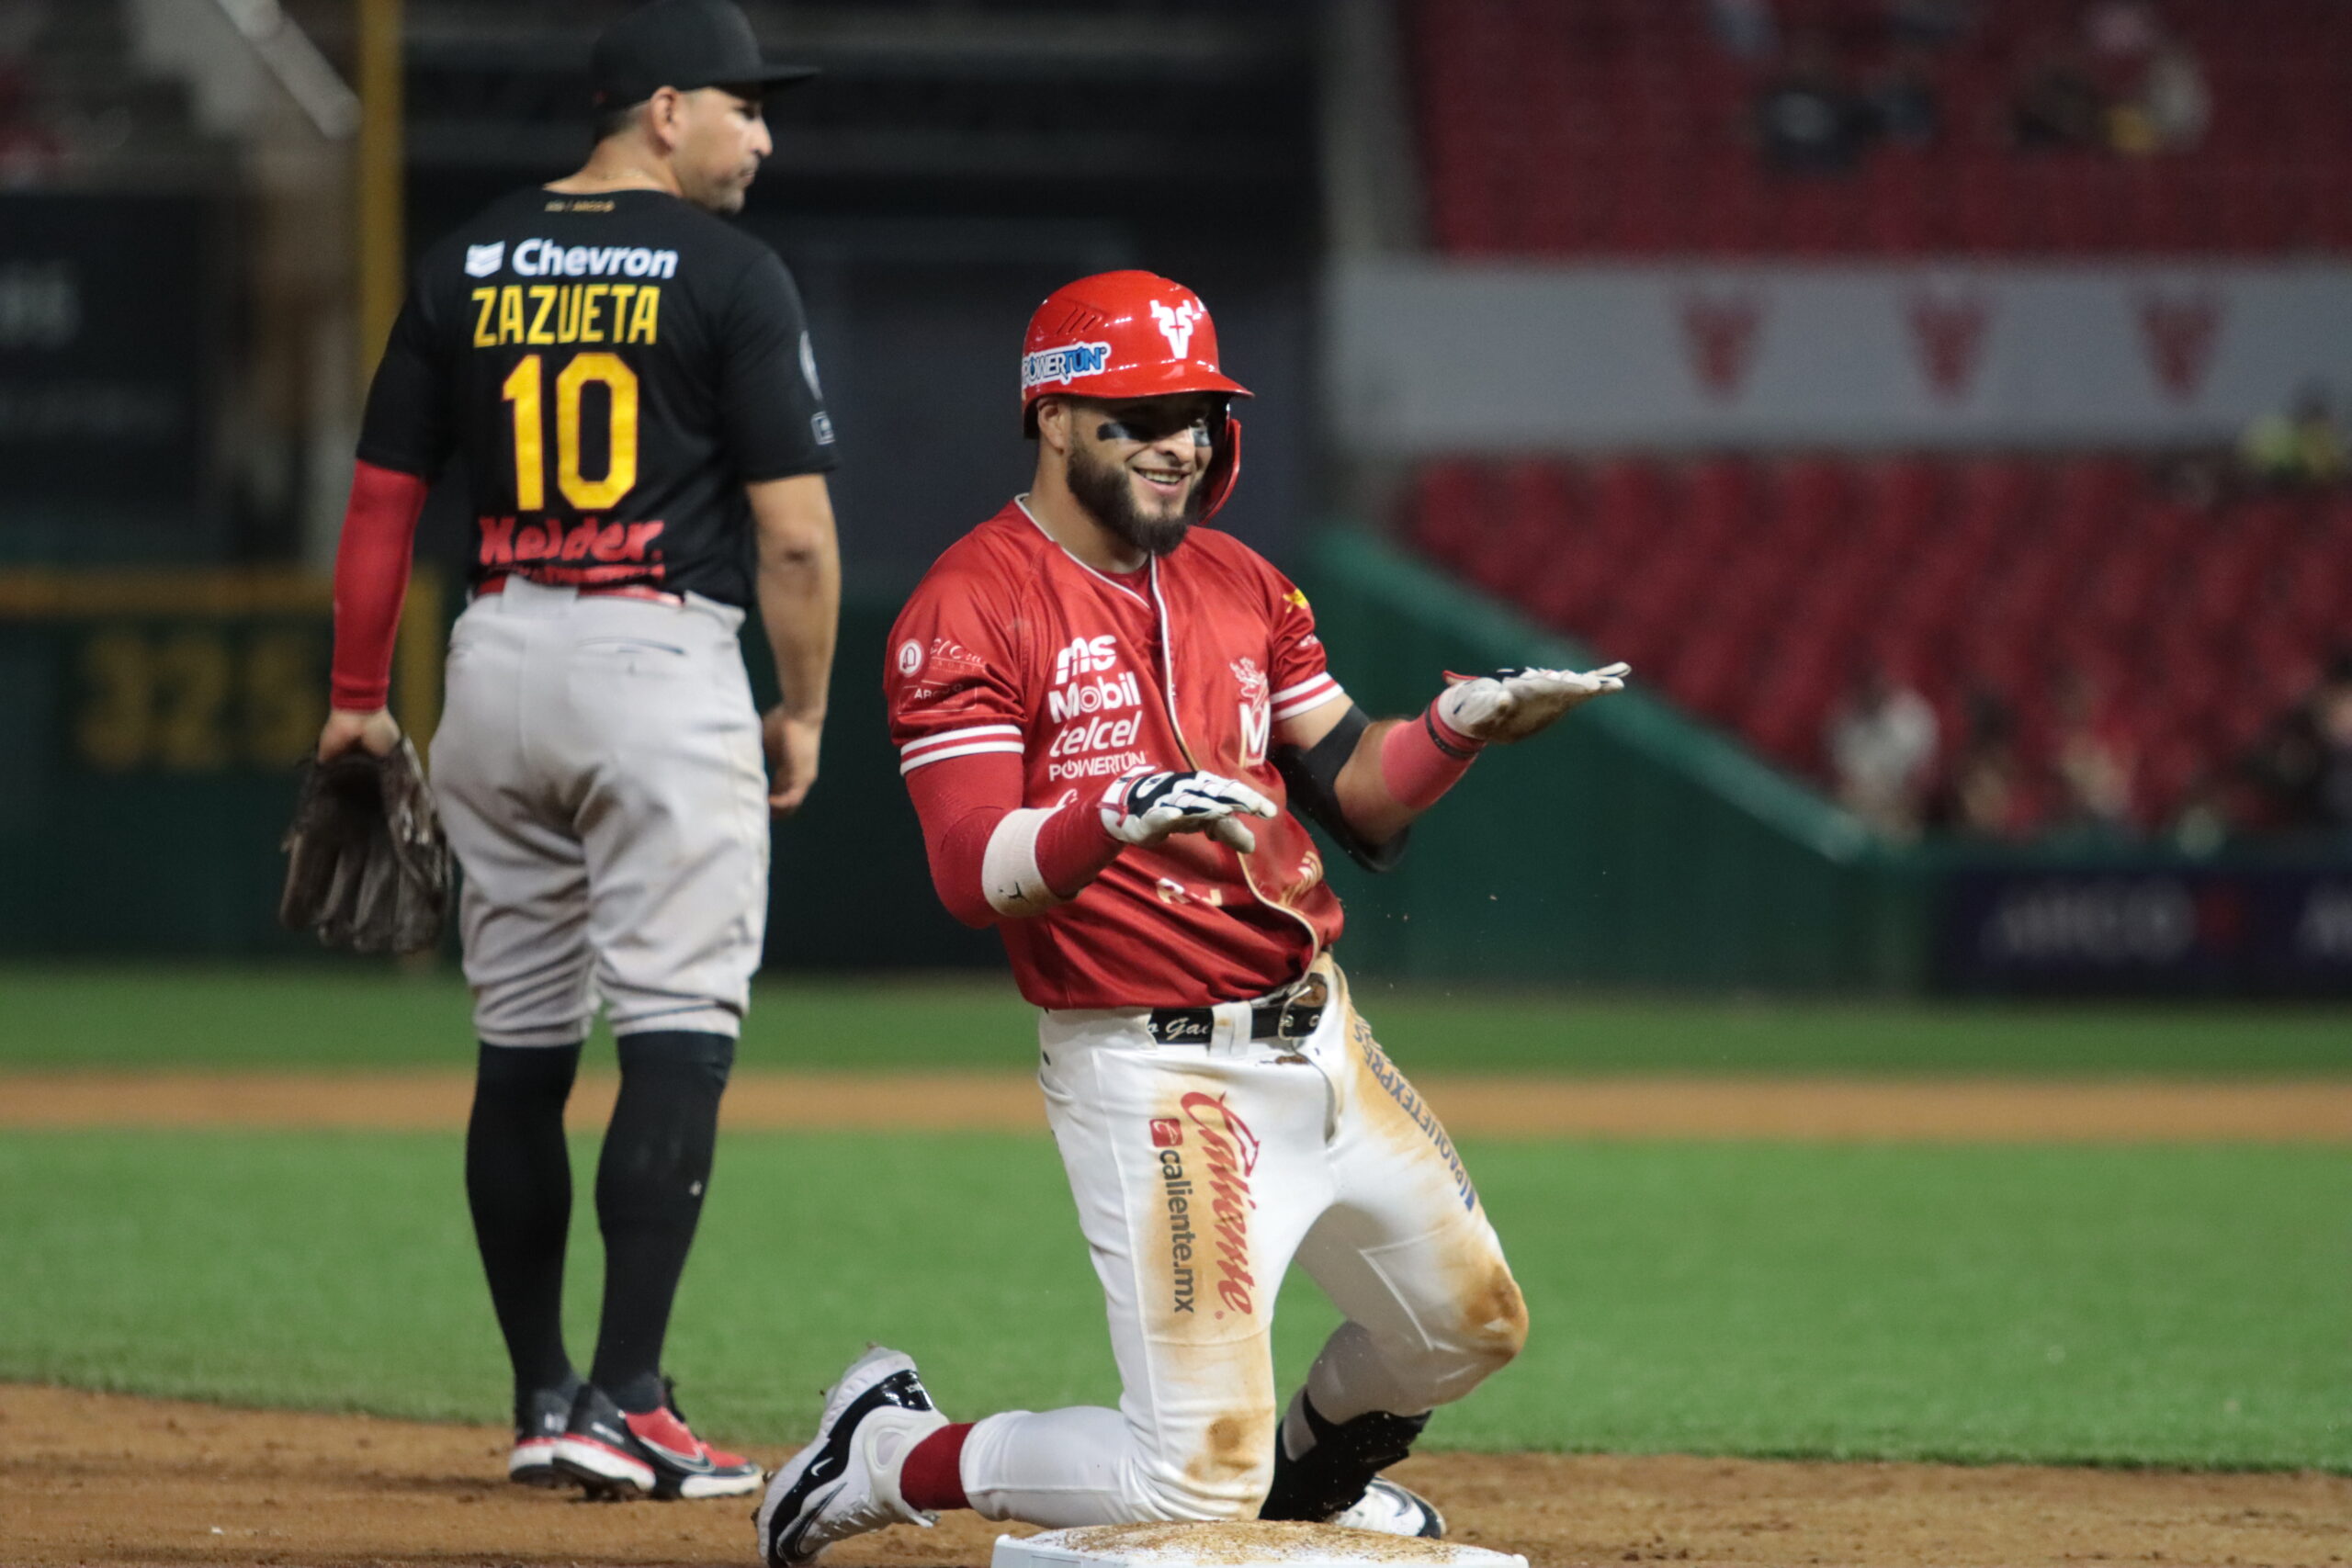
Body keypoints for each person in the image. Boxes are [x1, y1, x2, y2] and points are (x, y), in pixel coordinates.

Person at [753, 272, 1628, 1563]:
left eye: (1202, 411)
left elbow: (1359, 796)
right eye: (1145, 410)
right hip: (1153, 1065)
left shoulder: (1242, 582)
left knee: (1466, 1325)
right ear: (1052, 418)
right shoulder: (971, 601)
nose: (1185, 438)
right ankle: (886, 1446)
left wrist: (1455, 729)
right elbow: (966, 866)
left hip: (1317, 1036)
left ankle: (1307, 1491)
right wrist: (1110, 811)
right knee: (1185, 1484)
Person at [312, 0, 840, 1502]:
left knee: (523, 1041)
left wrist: (361, 694)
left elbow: (378, 504)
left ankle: (546, 1394)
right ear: (663, 109)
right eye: (745, 105)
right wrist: (798, 707)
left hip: (494, 660)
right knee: (676, 1022)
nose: (764, 134)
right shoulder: (732, 274)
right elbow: (795, 540)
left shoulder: (463, 256)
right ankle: (631, 1398)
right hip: (659, 659)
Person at [1825, 663, 1938, 837]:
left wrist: (1895, 800)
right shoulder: (1844, 719)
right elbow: (1843, 777)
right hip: (1859, 800)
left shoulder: (1915, 717)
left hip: (1897, 803)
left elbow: (1921, 779)